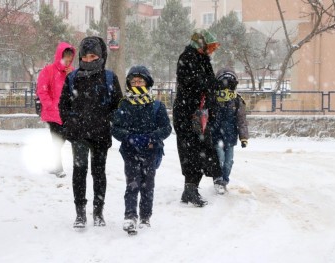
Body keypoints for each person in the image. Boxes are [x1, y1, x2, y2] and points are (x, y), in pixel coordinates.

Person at [59, 36, 123, 228]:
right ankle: (80, 212)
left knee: (98, 172)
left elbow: (117, 106)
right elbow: (63, 105)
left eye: (93, 55)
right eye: (85, 56)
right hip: (78, 135)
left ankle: (98, 211)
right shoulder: (72, 78)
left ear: (101, 56)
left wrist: (108, 120)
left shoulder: (110, 78)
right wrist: (70, 123)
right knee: (79, 172)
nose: (88, 59)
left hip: (100, 134)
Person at [112, 65, 172, 235]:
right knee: (132, 184)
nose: (137, 84)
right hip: (130, 151)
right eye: (134, 81)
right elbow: (115, 128)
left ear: (147, 82)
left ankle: (145, 217)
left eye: (140, 80)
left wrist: (152, 137)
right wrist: (129, 137)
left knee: (147, 185)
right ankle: (130, 216)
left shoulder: (156, 105)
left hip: (151, 151)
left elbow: (166, 128)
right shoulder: (124, 104)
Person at [173, 29, 226, 207]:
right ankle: (190, 190)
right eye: (209, 47)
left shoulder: (201, 59)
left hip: (199, 113)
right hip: (187, 114)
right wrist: (211, 84)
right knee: (192, 152)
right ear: (201, 43)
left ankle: (190, 189)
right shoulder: (187, 58)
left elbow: (206, 83)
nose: (211, 51)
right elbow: (193, 83)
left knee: (200, 151)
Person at [37, 42, 75, 178]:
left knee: (68, 140)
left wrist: (72, 76)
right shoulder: (48, 70)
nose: (68, 61)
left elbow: (77, 91)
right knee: (57, 141)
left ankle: (59, 166)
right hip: (54, 114)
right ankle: (58, 168)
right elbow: (42, 90)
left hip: (69, 114)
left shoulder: (72, 72)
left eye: (70, 59)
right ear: (60, 56)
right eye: (66, 58)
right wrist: (50, 106)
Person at [212, 68, 249, 190]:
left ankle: (225, 180)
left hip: (230, 136)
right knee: (220, 159)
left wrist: (243, 137)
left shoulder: (237, 100)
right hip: (216, 135)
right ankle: (218, 181)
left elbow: (241, 120)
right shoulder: (213, 99)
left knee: (228, 162)